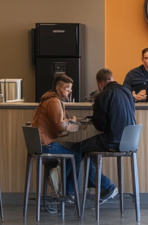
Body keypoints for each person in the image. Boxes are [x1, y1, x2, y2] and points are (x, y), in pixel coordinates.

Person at [75, 68, 137, 201]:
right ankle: (98, 185)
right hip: (130, 141)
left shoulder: (102, 95)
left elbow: (99, 125)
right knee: (88, 151)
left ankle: (73, 192)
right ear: (112, 78)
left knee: (77, 148)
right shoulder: (127, 91)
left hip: (112, 140)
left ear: (99, 83)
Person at [30, 73, 81, 201]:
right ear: (58, 88)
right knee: (76, 155)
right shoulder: (54, 102)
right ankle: (68, 192)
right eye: (67, 88)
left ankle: (60, 190)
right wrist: (74, 124)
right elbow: (59, 127)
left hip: (38, 144)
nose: (70, 91)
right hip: (46, 145)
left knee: (71, 152)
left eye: (70, 88)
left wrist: (68, 122)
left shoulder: (47, 99)